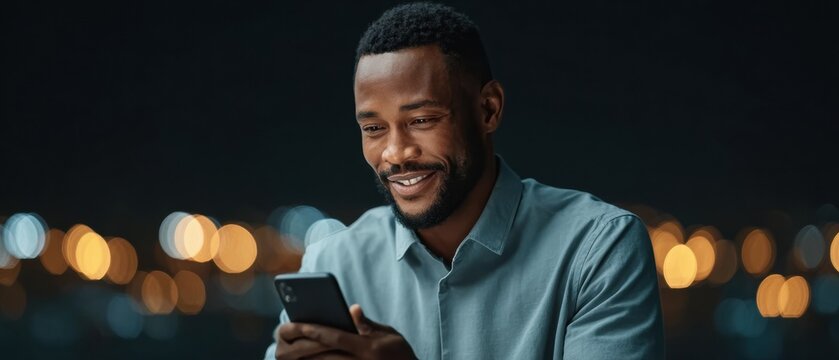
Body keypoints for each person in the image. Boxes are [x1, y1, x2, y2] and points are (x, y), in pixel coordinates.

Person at [268, 3, 663, 359]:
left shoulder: (598, 249)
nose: (395, 153)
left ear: (489, 110)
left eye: (422, 120)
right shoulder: (333, 262)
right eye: (373, 128)